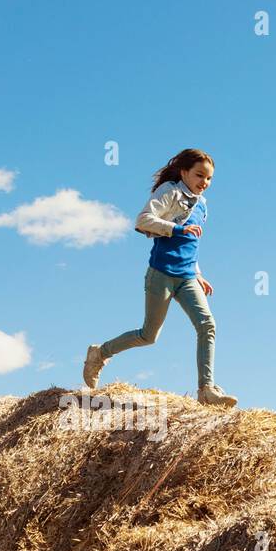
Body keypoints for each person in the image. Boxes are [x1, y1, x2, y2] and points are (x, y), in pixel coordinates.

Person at [83, 148, 237, 409]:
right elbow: (143, 220)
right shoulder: (170, 191)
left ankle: (206, 390)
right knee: (148, 335)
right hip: (161, 274)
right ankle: (100, 353)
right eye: (200, 175)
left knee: (207, 325)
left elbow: (190, 243)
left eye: (209, 179)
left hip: (187, 276)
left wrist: (198, 274)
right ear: (183, 172)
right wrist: (175, 228)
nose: (204, 183)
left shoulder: (202, 205)